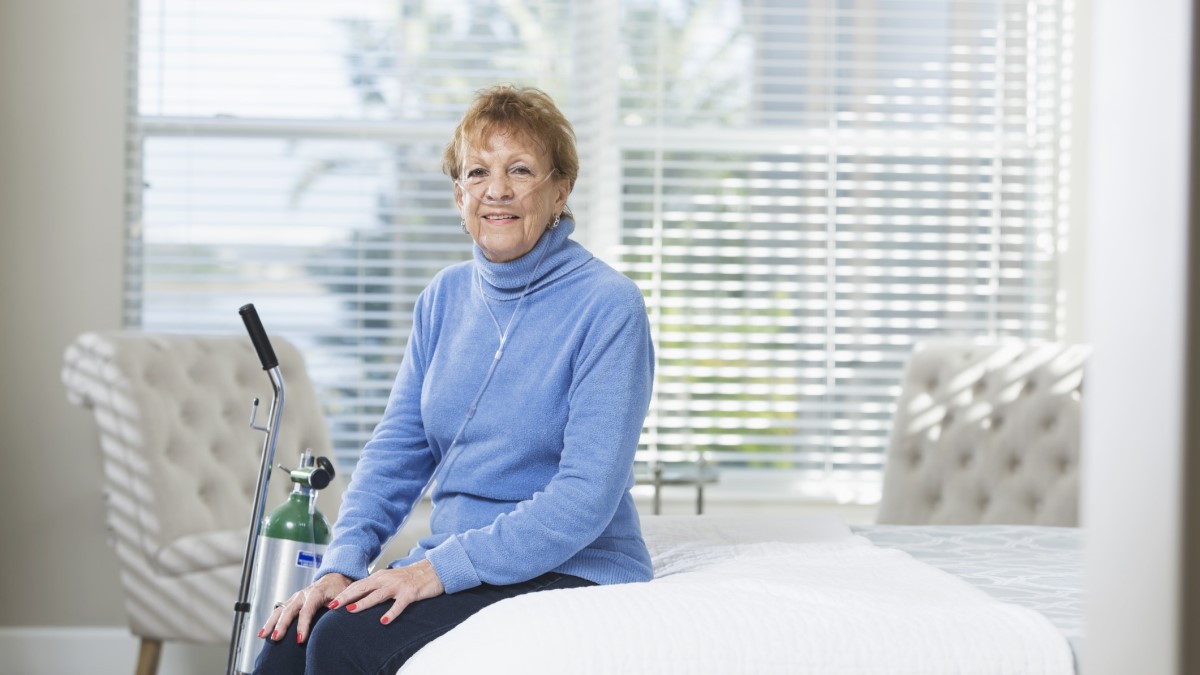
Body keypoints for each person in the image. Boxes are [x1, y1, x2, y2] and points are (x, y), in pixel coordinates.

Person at [253, 84, 655, 674]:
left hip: (571, 564)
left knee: (345, 641)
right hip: (457, 561)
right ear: (458, 194)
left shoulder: (608, 305)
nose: (497, 190)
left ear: (560, 190)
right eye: (477, 172)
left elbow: (585, 496)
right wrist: (342, 562)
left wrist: (436, 569)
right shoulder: (443, 298)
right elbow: (398, 450)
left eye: (521, 170)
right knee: (291, 635)